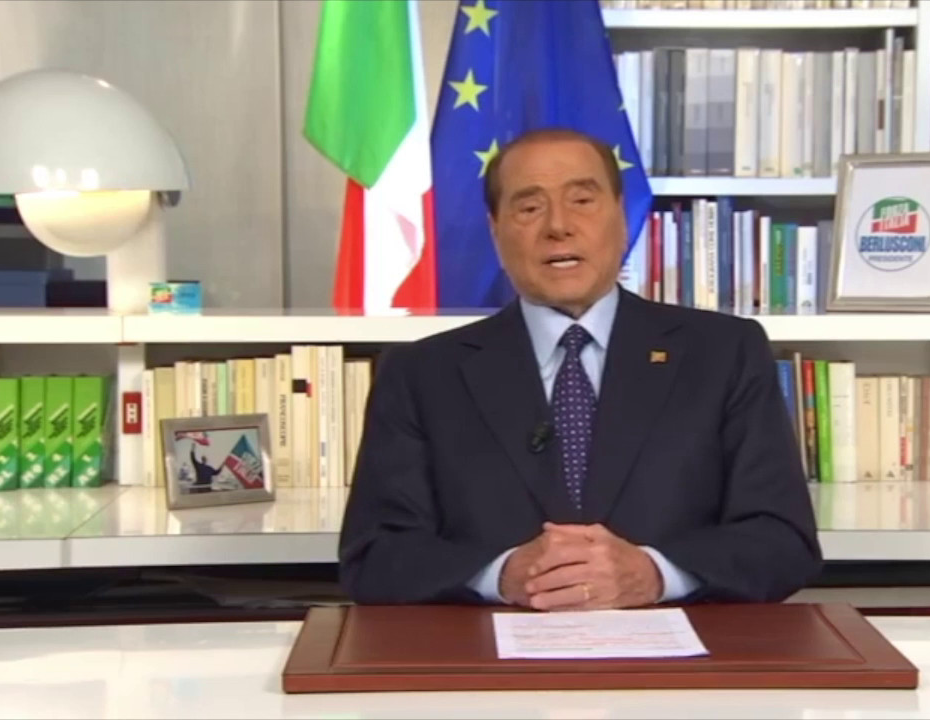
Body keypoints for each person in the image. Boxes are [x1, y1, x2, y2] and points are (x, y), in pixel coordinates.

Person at [337, 127, 821, 610]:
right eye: (529, 207)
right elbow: (375, 556)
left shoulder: (724, 354)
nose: (558, 226)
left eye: (582, 201)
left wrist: (654, 575)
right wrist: (502, 575)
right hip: (488, 649)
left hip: (682, 648)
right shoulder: (421, 374)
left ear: (622, 216)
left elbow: (782, 540)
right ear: (495, 230)